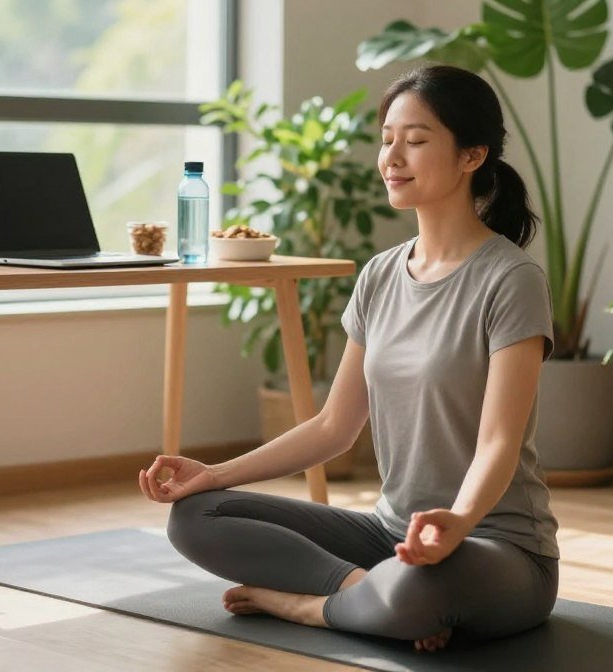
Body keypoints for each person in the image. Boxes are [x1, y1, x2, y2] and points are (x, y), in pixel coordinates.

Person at [137, 64, 559, 654]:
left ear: (472, 155)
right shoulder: (381, 275)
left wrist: (457, 523)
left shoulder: (511, 279)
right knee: (194, 516)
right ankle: (368, 596)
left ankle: (309, 606)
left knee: (420, 589)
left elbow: (498, 444)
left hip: (497, 546)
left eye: (415, 141)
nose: (392, 157)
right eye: (387, 139)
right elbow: (335, 426)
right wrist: (214, 474)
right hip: (391, 536)